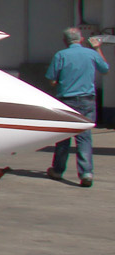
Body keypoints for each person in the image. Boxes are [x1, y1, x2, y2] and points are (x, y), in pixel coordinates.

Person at [46, 27, 108, 187]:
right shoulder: (91, 54)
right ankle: (86, 173)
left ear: (65, 40)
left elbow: (52, 79)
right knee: (84, 137)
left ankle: (58, 170)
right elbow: (105, 69)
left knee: (63, 137)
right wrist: (97, 48)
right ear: (81, 39)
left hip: (66, 100)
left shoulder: (61, 55)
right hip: (87, 100)